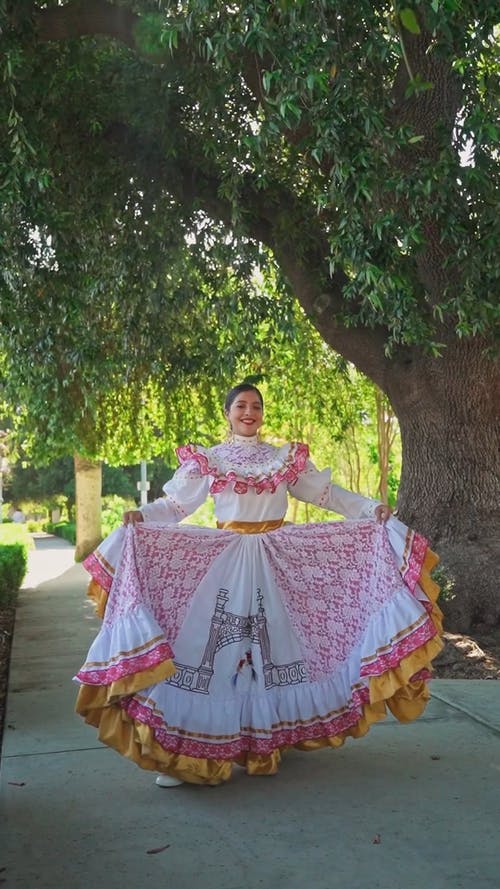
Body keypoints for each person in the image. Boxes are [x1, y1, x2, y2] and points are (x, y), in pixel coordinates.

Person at [75, 383, 442, 787]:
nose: (248, 412)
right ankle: (185, 753)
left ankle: (273, 737)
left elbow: (325, 494)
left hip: (276, 561)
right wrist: (142, 516)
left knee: (279, 649)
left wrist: (369, 508)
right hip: (226, 562)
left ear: (262, 413)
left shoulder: (283, 459)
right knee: (208, 653)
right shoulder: (210, 459)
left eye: (255, 406)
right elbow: (177, 507)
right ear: (227, 413)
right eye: (240, 406)